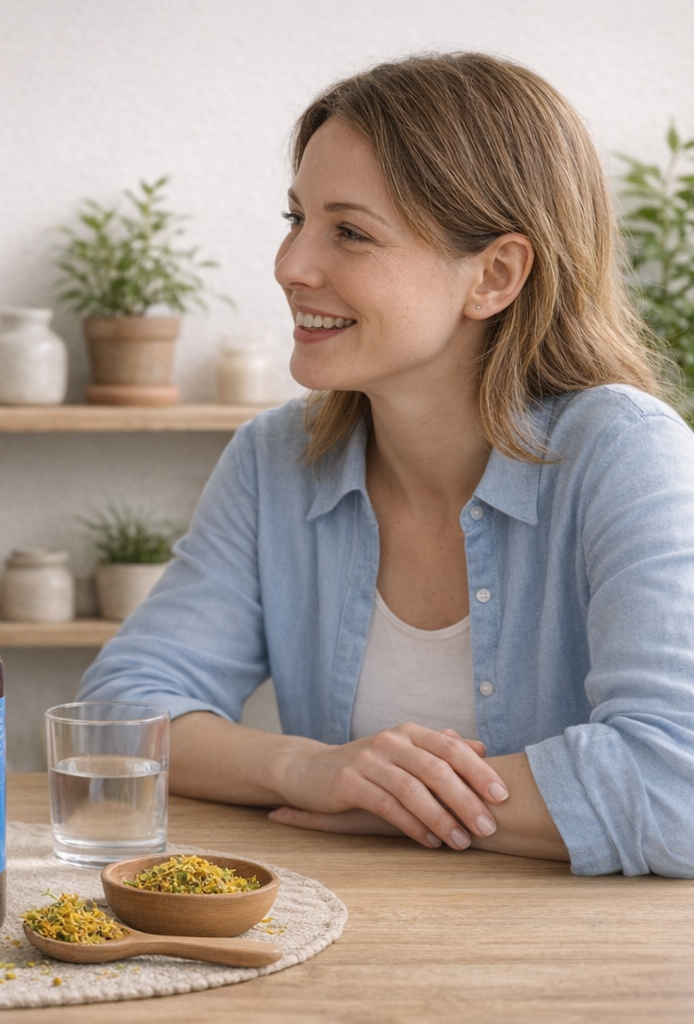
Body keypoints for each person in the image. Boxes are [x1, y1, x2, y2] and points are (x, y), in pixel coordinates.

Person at [79, 53, 694, 877]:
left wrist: (385, 805)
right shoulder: (276, 460)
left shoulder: (625, 454)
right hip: (348, 946)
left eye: (351, 232)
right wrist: (310, 770)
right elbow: (120, 715)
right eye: (294, 218)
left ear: (495, 275)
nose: (291, 265)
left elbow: (677, 784)